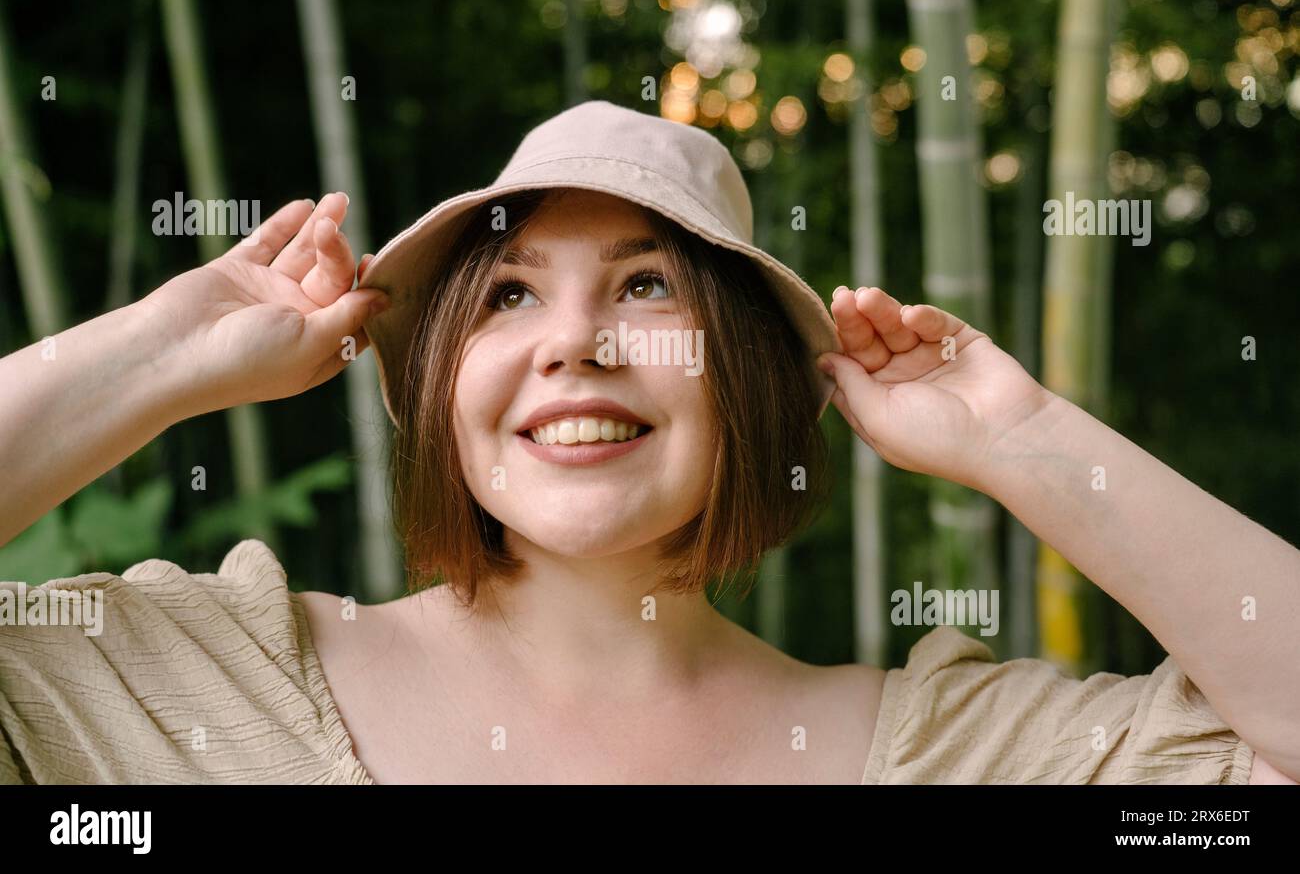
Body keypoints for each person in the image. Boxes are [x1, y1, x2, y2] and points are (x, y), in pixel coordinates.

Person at [0, 101, 1295, 784]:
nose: (574, 342)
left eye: (646, 288)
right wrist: (158, 357)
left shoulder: (945, 756)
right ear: (441, 381)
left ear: (743, 384)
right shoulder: (195, 694)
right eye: (509, 294)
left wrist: (1020, 437)